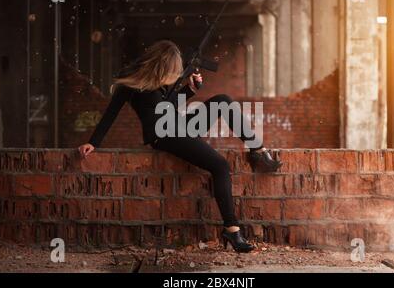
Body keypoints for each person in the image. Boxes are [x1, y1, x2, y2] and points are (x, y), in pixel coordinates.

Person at [78, 40, 282, 253]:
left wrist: (190, 90)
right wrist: (93, 142)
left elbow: (170, 105)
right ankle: (232, 229)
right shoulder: (131, 84)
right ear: (162, 65)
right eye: (173, 69)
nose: (175, 73)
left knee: (222, 100)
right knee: (220, 165)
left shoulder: (163, 84)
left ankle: (258, 150)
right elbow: (111, 113)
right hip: (163, 135)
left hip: (180, 125)